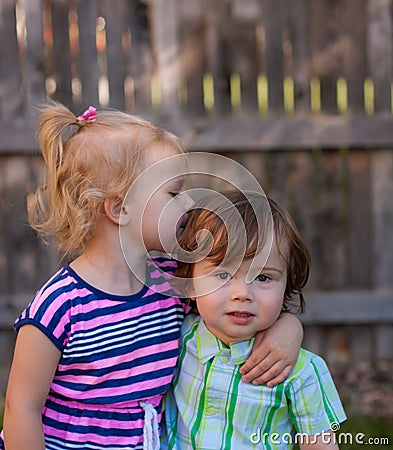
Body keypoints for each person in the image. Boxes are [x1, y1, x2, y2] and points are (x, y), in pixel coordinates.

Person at [1, 103, 303, 450]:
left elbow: (234, 308)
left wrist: (288, 328)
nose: (189, 204)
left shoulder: (172, 283)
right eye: (174, 193)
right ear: (120, 209)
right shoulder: (60, 305)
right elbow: (21, 407)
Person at [163, 190, 347, 449]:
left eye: (263, 278)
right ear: (188, 282)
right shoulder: (173, 337)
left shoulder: (301, 372)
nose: (242, 294)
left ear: (287, 283)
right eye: (223, 275)